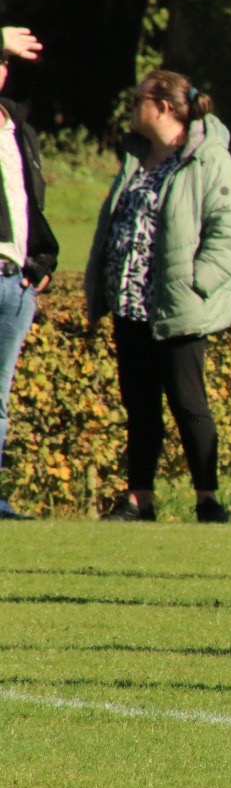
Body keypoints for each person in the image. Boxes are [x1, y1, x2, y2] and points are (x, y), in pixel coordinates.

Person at [84, 70, 231, 523]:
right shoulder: (137, 157)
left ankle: (208, 501)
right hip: (130, 305)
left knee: (188, 403)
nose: (131, 106)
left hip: (178, 305)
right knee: (139, 406)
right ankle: (139, 499)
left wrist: (194, 284)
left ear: (163, 107)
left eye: (138, 98)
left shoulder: (207, 159)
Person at [0, 35, 59, 520]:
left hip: (14, 282)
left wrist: (40, 261)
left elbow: (28, 204)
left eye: (1, 62)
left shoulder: (18, 128)